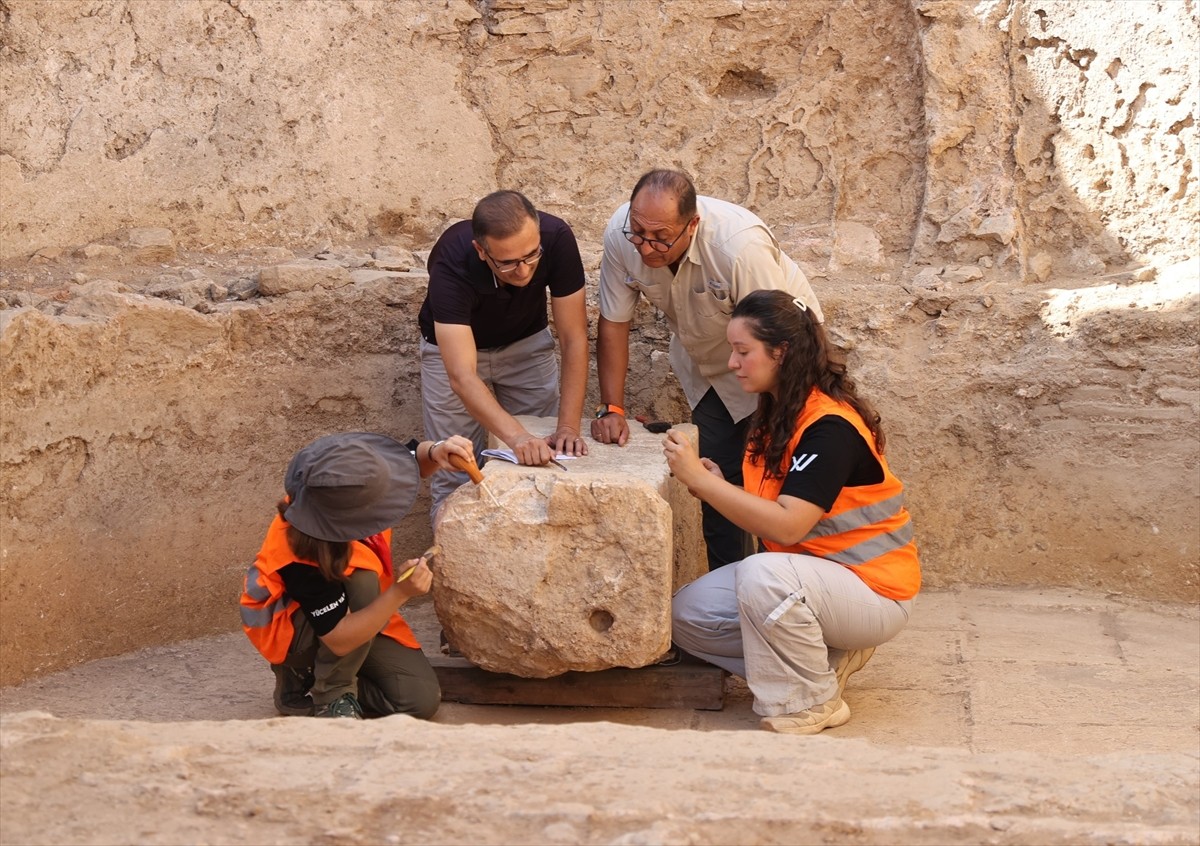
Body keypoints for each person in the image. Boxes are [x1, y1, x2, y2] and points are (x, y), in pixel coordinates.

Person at [663, 289, 920, 735]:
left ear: (780, 353)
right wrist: (720, 486)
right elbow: (775, 504)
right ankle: (818, 665)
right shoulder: (780, 410)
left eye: (743, 351)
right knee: (686, 616)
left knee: (764, 576)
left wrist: (702, 484)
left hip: (873, 590)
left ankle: (811, 702)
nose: (732, 363)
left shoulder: (829, 427)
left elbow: (788, 522)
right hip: (811, 578)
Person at [592, 169, 824, 571]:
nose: (646, 249)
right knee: (716, 485)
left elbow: (775, 336)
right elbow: (614, 321)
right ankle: (728, 593)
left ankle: (783, 586)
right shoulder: (621, 234)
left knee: (776, 481)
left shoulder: (738, 248)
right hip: (709, 370)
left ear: (692, 225)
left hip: (780, 365)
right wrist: (612, 406)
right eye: (639, 233)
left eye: (662, 238)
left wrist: (776, 412)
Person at [240, 431, 476, 719]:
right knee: (362, 581)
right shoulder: (302, 550)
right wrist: (400, 593)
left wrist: (438, 451)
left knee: (418, 699)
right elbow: (338, 638)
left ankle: (314, 679)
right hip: (291, 628)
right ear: (349, 517)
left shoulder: (352, 479)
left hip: (354, 608)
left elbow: (415, 460)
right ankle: (329, 693)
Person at [418, 190, 589, 519]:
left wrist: (568, 426)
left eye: (531, 255)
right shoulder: (451, 260)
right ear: (480, 251)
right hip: (452, 355)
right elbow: (462, 376)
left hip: (526, 345)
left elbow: (574, 337)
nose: (524, 271)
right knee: (455, 471)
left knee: (545, 460)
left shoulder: (557, 238)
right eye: (508, 263)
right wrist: (516, 437)